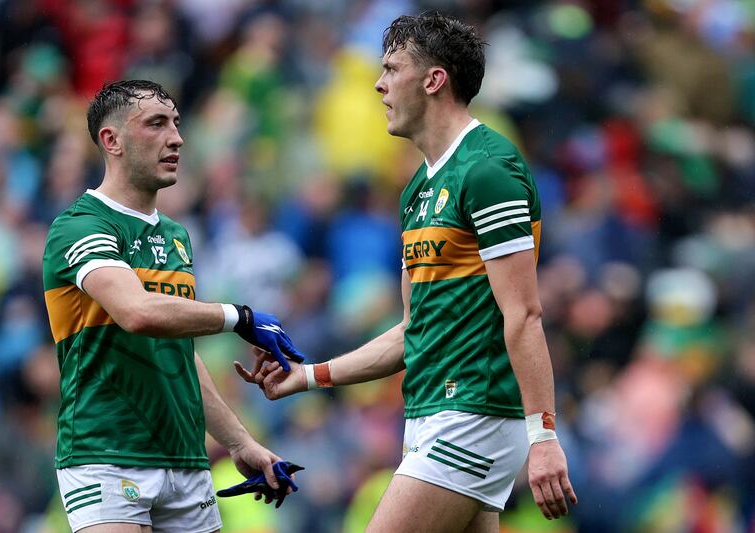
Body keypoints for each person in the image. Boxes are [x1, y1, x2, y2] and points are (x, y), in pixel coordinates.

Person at [236, 13, 577, 533]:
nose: (379, 84)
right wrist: (308, 376)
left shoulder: (488, 170)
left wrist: (544, 435)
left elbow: (524, 313)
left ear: (434, 80)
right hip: (428, 412)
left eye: (392, 69)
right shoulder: (418, 189)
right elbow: (411, 332)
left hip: (473, 411)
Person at [42, 79, 304, 533]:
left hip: (186, 460)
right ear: (112, 140)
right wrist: (238, 317)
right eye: (157, 124)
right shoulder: (80, 227)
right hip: (107, 452)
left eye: (177, 124)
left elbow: (176, 354)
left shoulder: (176, 236)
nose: (177, 138)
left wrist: (240, 443)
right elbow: (137, 312)